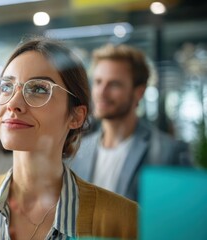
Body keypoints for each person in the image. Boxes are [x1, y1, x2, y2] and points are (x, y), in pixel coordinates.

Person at [0, 38, 138, 240]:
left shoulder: (123, 220)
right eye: (6, 87)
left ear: (76, 116)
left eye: (38, 89)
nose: (13, 103)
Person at [70, 44, 192, 201]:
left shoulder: (168, 152)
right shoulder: (77, 151)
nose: (101, 92)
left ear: (139, 92)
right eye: (98, 82)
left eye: (114, 84)